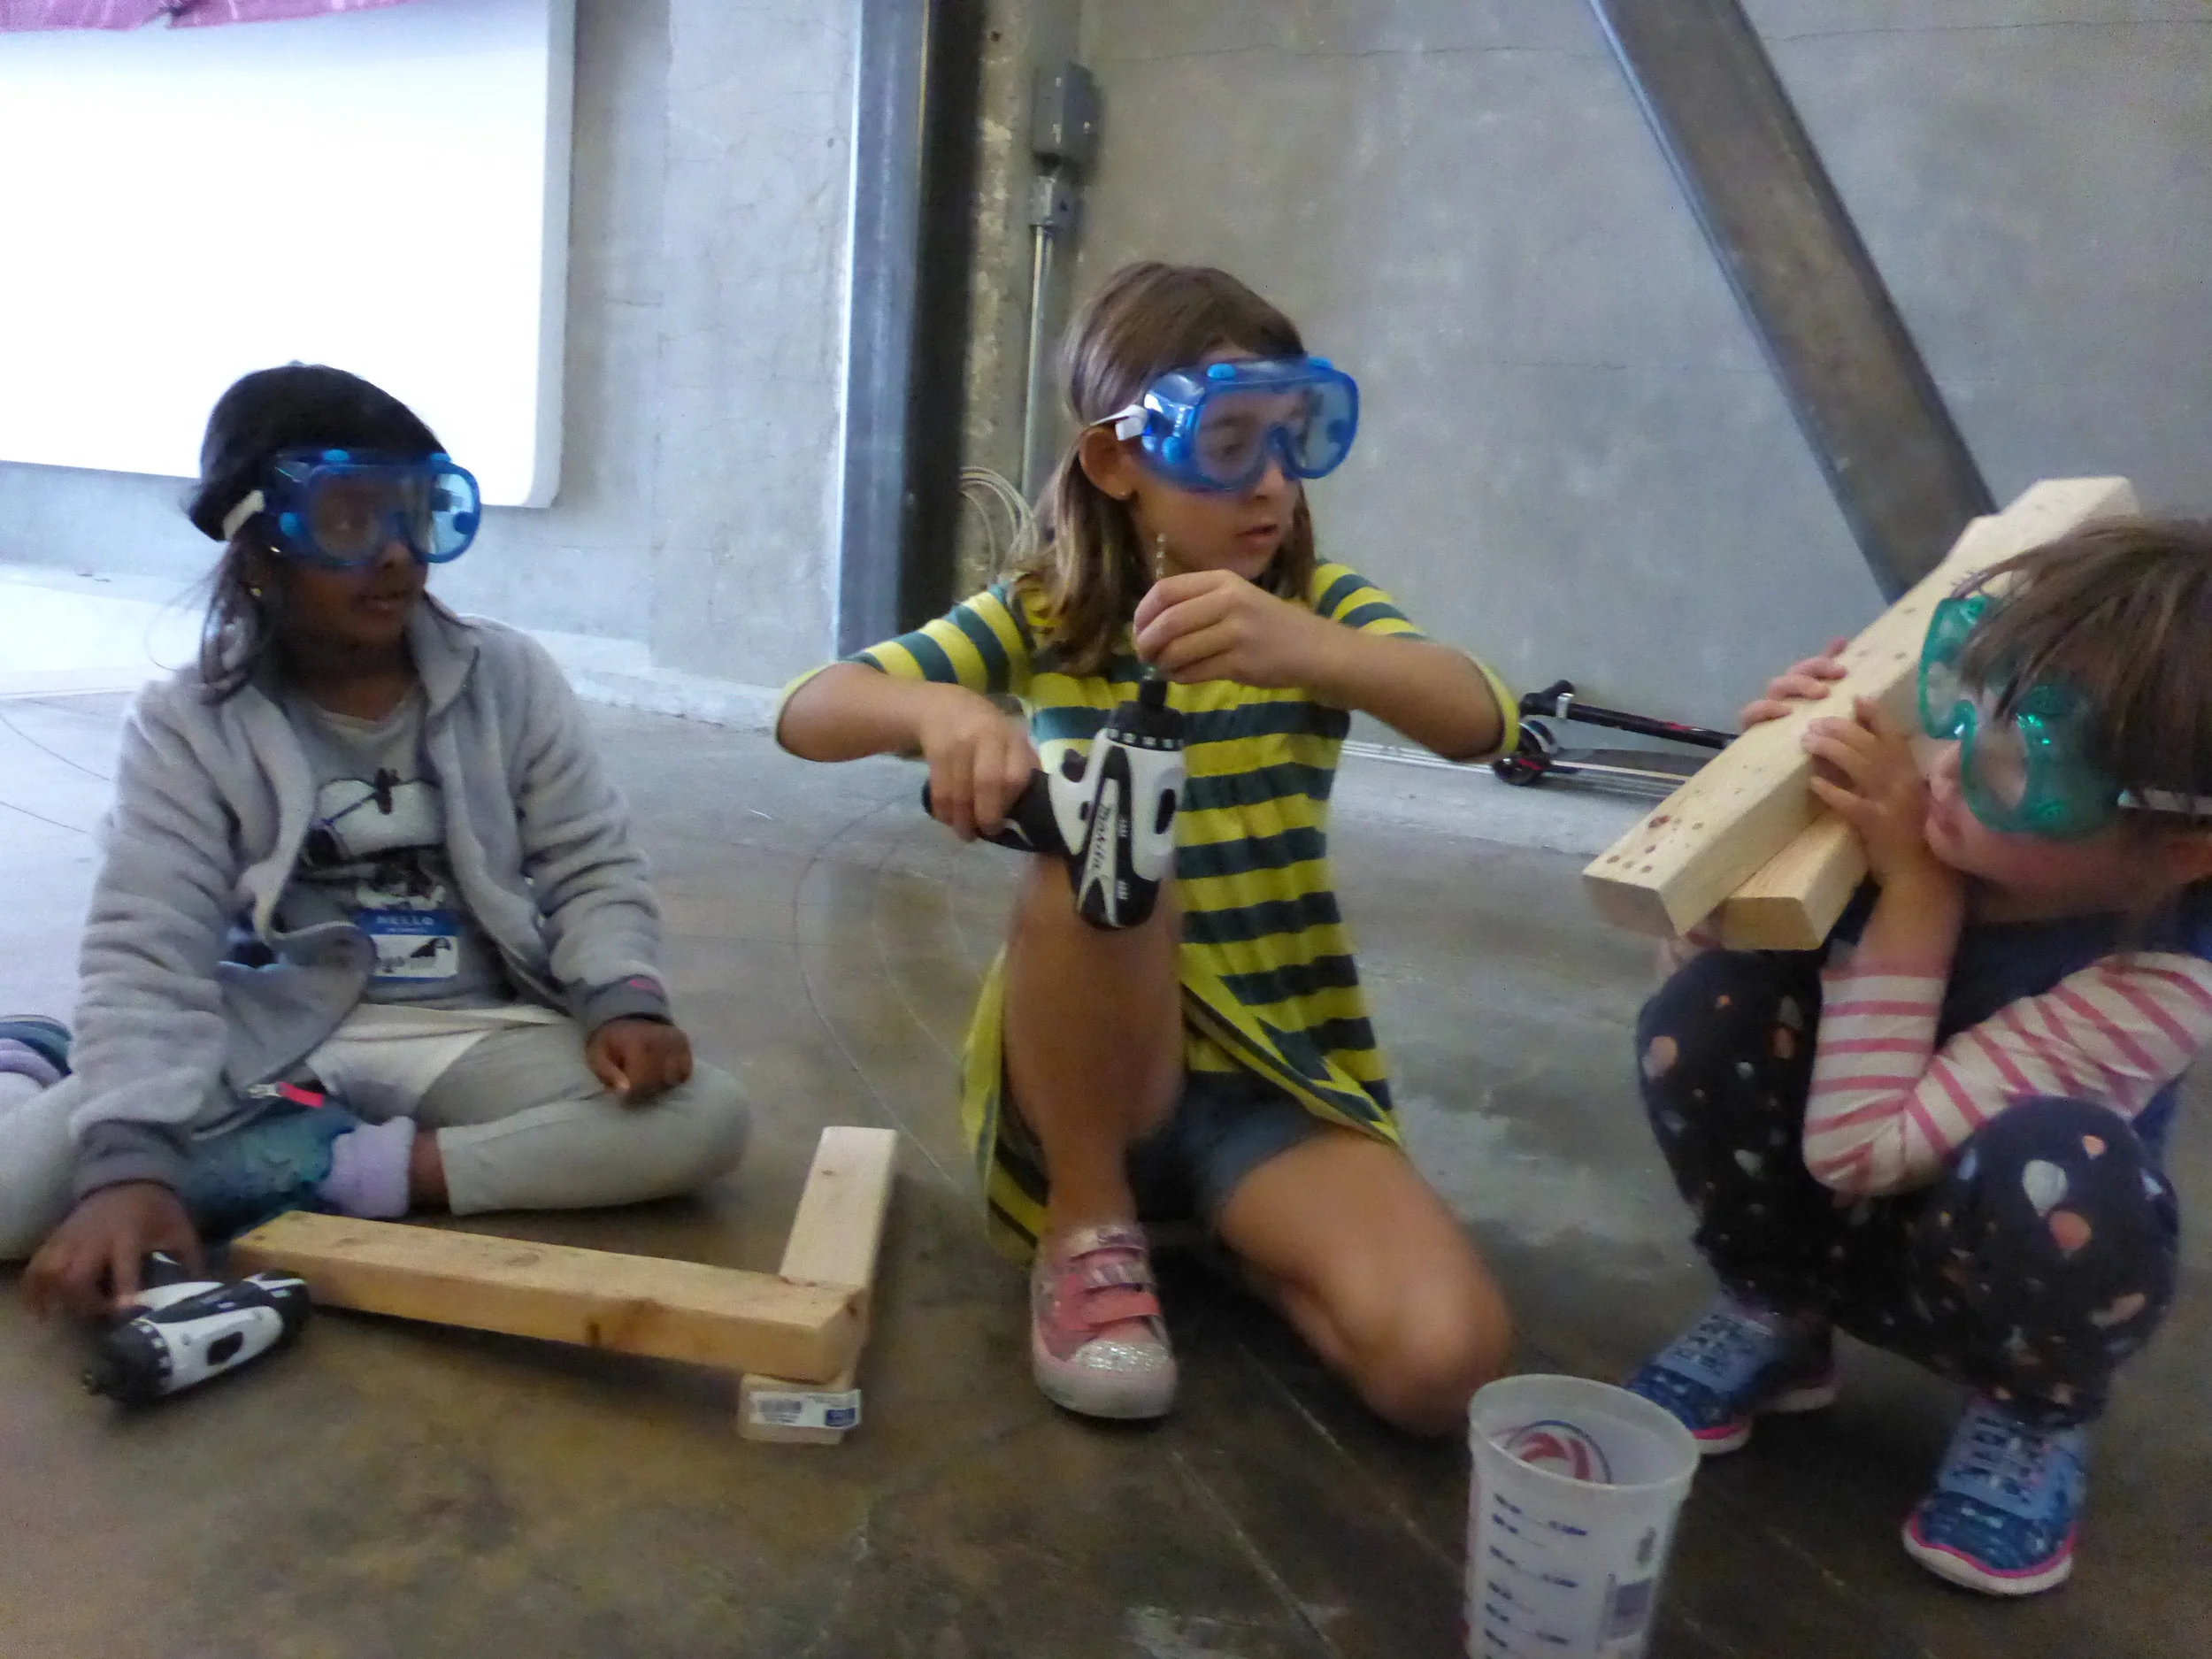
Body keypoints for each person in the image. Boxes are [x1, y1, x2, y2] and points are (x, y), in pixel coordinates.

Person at [778, 262, 1517, 1431]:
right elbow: (810, 709)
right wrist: (942, 712)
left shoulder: (1312, 607)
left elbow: (1480, 714)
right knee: (1108, 829)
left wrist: (1312, 648)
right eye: (1228, 442)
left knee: (1441, 1362)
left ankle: (1217, 1225)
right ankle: (1086, 1221)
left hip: (1269, 1080)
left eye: (1293, 439)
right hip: (1093, 1077)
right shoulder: (1045, 611)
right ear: (1117, 461)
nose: (1271, 482)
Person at [4, 365, 748, 1319]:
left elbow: (588, 861)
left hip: (469, 1027)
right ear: (260, 549)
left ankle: (330, 1165)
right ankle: (45, 1056)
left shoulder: (509, 678)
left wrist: (620, 997)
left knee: (702, 1121)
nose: (397, 555)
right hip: (276, 1031)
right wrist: (124, 1163)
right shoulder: (185, 723)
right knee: (18, 1202)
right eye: (350, 522)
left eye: (416, 515)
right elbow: (152, 946)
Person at [1625, 518, 2212, 1595]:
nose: (1940, 768)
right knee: (1706, 1008)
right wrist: (1754, 801)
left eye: (2017, 763)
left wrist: (1913, 898)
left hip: (1981, 1264)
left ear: (2177, 851)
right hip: (1805, 1219)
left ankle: (2034, 1411)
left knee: (2065, 1160)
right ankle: (1774, 1308)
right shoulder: (1930, 823)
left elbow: (1860, 1149)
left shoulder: (2157, 986)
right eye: (1958, 706)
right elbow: (1695, 980)